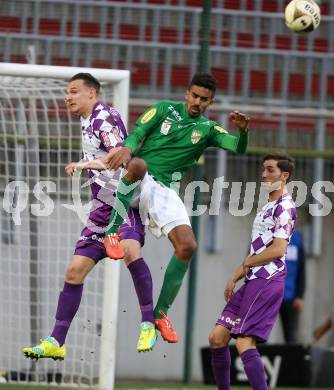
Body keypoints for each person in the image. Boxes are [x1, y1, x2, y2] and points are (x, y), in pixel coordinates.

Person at [103, 73, 250, 343]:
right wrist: (127, 148)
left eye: (203, 99)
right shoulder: (163, 109)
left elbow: (236, 149)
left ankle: (160, 313)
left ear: (210, 102)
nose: (197, 101)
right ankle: (111, 232)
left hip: (164, 190)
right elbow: (138, 133)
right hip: (138, 177)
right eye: (194, 95)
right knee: (137, 163)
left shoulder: (208, 129)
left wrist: (243, 132)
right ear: (186, 93)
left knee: (188, 246)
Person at [23, 73, 157, 360]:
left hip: (122, 203)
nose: (67, 97)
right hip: (101, 207)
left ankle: (148, 323)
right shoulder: (88, 119)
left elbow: (121, 158)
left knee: (131, 250)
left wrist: (83, 164)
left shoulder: (102, 118)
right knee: (74, 272)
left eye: (73, 91)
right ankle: (56, 341)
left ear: (92, 93)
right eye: (66, 92)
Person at [209, 153, 297, 390]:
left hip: (268, 281)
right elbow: (258, 250)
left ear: (284, 175)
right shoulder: (268, 206)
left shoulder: (285, 208)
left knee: (244, 342)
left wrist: (247, 263)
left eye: (270, 170)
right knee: (217, 339)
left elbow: (278, 250)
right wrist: (236, 275)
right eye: (263, 169)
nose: (263, 175)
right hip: (253, 280)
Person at [279, 229, 306, 344]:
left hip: (290, 296)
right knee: (259, 331)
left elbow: (301, 269)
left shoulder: (297, 239)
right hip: (267, 295)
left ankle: (291, 361)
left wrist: (300, 295)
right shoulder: (263, 233)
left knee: (291, 336)